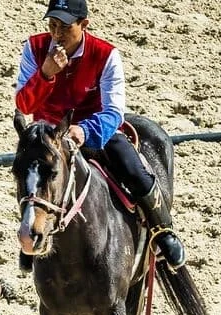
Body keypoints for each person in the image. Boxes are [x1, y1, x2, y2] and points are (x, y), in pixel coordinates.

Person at [15, 0, 186, 270]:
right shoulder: (34, 48)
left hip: (93, 131)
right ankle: (30, 230)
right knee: (28, 175)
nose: (56, 34)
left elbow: (114, 111)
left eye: (64, 27)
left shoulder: (106, 55)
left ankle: (163, 231)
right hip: (49, 137)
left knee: (133, 168)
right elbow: (24, 104)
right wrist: (46, 74)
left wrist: (85, 130)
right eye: (52, 25)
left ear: (84, 25)